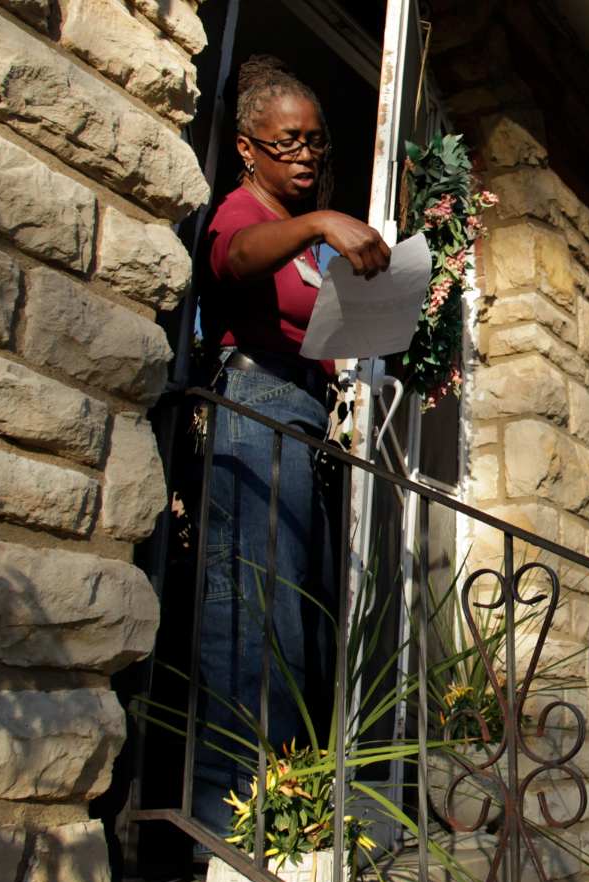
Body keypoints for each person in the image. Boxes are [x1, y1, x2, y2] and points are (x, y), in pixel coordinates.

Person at [191, 55, 391, 834]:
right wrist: (317, 222)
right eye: (289, 141)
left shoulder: (304, 248)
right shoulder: (244, 213)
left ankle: (285, 802)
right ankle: (224, 809)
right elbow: (231, 261)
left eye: (316, 142)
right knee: (249, 602)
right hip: (256, 408)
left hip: (304, 415)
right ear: (248, 148)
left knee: (296, 619)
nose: (307, 154)